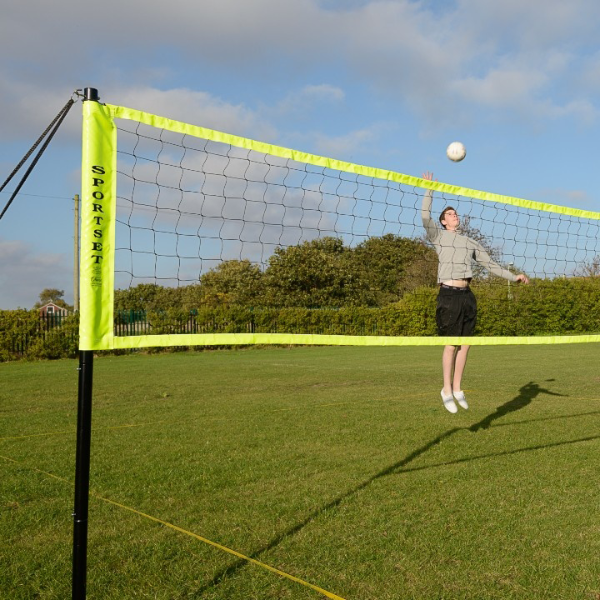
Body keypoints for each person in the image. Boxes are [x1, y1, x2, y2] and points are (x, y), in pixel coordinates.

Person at [421, 171, 529, 413]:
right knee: (451, 345)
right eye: (449, 214)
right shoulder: (438, 236)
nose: (454, 216)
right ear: (443, 222)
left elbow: (490, 265)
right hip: (448, 294)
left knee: (466, 344)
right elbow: (425, 215)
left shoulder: (470, 242)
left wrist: (514, 276)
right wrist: (428, 189)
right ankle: (446, 390)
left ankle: (458, 388)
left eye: (455, 213)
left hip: (467, 295)